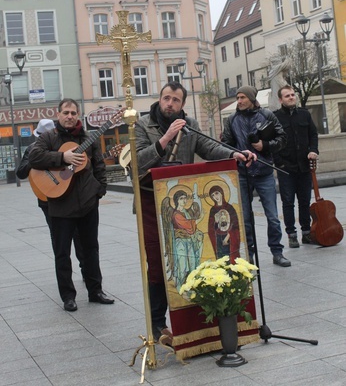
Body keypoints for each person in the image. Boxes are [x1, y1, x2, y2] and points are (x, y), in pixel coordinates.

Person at [135, 81, 255, 343]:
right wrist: (166, 138)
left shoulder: (189, 124)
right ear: (160, 98)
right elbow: (137, 160)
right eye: (166, 98)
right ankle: (157, 324)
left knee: (187, 261)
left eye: (176, 100)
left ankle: (191, 319)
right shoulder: (144, 124)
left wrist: (235, 153)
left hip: (183, 204)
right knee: (157, 263)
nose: (170, 104)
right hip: (150, 201)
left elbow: (209, 148)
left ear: (182, 104)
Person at [28, 98, 114, 312]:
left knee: (91, 249)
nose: (69, 116)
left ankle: (96, 291)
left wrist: (99, 190)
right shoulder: (49, 137)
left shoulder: (89, 138)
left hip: (87, 203)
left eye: (73, 113)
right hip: (59, 204)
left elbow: (99, 165)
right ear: (59, 115)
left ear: (78, 115)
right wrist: (62, 157)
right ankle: (68, 296)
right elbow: (34, 157)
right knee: (62, 252)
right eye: (66, 112)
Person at [221, 85, 291, 267]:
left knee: (273, 217)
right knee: (245, 218)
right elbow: (225, 145)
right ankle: (249, 255)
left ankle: (277, 252)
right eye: (238, 97)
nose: (240, 101)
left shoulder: (267, 115)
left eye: (243, 97)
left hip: (264, 173)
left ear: (252, 98)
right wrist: (237, 154)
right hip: (242, 174)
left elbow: (283, 139)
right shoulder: (231, 119)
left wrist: (265, 146)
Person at [16, 119, 85, 276]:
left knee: (75, 235)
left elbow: (71, 170)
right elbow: (20, 172)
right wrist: (35, 161)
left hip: (67, 196)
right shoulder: (33, 149)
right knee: (60, 237)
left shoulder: (63, 146)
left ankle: (83, 268)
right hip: (47, 198)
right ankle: (67, 271)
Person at [273, 85, 319, 247]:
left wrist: (313, 150)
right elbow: (273, 143)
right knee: (288, 202)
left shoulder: (305, 114)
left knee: (304, 201)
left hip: (304, 166)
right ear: (281, 100)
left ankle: (306, 233)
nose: (291, 97)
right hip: (286, 168)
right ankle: (291, 234)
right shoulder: (275, 117)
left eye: (293, 95)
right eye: (287, 96)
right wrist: (279, 163)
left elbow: (313, 134)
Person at [208, 185, 240, 262]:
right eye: (212, 195)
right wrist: (216, 221)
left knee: (229, 258)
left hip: (228, 237)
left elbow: (235, 225)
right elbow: (212, 229)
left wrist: (227, 237)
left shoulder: (229, 208)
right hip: (218, 238)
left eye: (216, 193)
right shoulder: (213, 210)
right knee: (221, 259)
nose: (215, 197)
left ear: (221, 193)